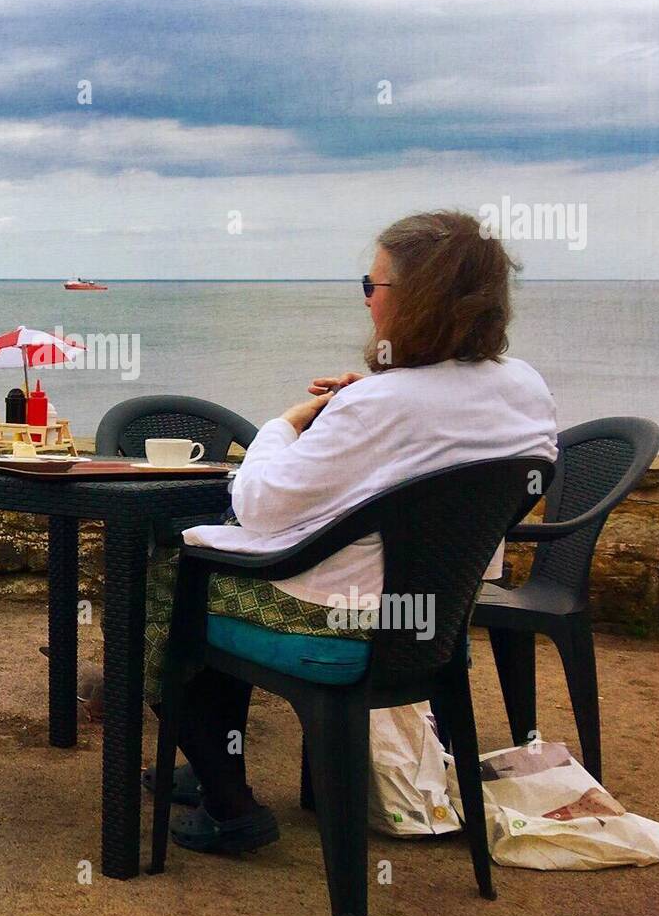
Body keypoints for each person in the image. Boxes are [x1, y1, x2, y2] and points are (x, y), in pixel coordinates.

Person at [142, 210, 559, 853]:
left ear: (415, 300)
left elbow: (258, 504)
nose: (367, 299)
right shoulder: (524, 388)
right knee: (214, 574)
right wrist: (372, 401)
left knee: (172, 577)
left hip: (345, 625)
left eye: (374, 285)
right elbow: (436, 442)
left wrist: (291, 421)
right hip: (432, 622)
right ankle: (209, 767)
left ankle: (230, 803)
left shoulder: (381, 406)